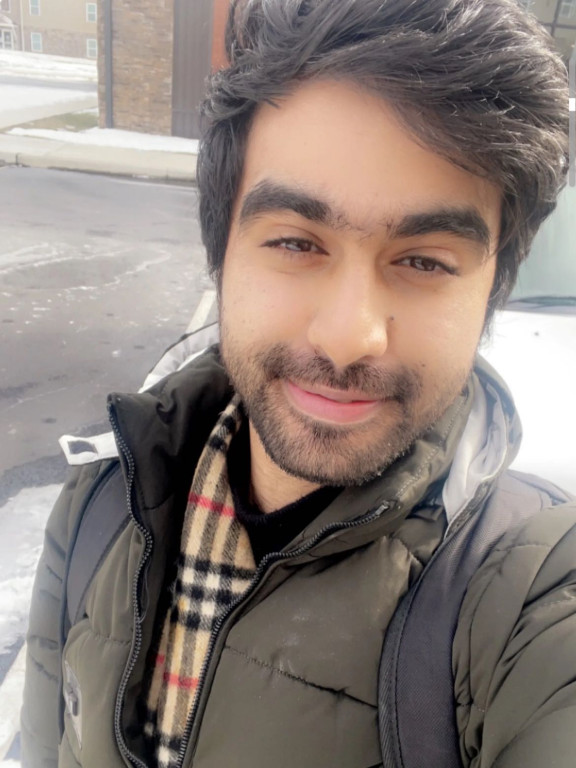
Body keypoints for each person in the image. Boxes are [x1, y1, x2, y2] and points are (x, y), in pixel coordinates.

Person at [22, 0, 575, 766]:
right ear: (223, 255)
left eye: (424, 260)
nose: (349, 336)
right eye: (294, 243)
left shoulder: (535, 593)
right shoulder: (99, 508)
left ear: (489, 290)